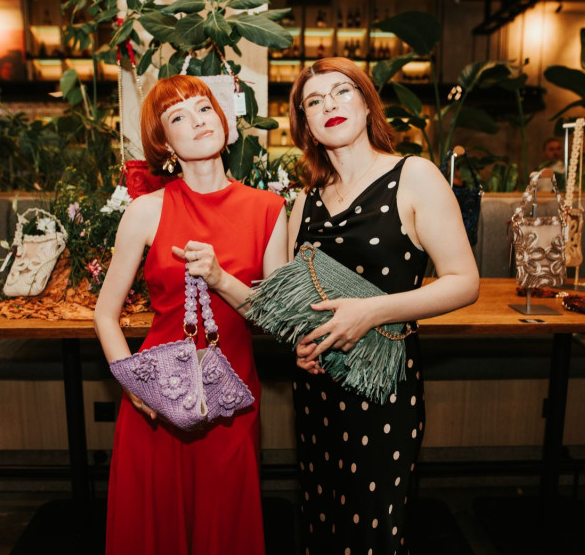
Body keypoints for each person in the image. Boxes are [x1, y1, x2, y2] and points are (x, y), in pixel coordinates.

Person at [287, 57, 479, 553]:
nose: (328, 105)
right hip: (317, 388)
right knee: (323, 522)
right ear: (305, 124)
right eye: (313, 101)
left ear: (367, 102)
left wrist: (371, 311)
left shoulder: (414, 176)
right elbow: (301, 296)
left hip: (385, 387)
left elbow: (464, 282)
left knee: (374, 530)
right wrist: (301, 343)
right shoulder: (305, 201)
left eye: (342, 91)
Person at [94, 75, 288, 555]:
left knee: (225, 529)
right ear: (164, 144)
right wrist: (133, 385)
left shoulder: (269, 209)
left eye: (204, 108)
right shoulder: (145, 211)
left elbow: (277, 320)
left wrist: (221, 278)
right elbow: (105, 314)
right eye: (178, 117)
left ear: (222, 120)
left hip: (232, 400)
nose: (198, 121)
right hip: (157, 398)